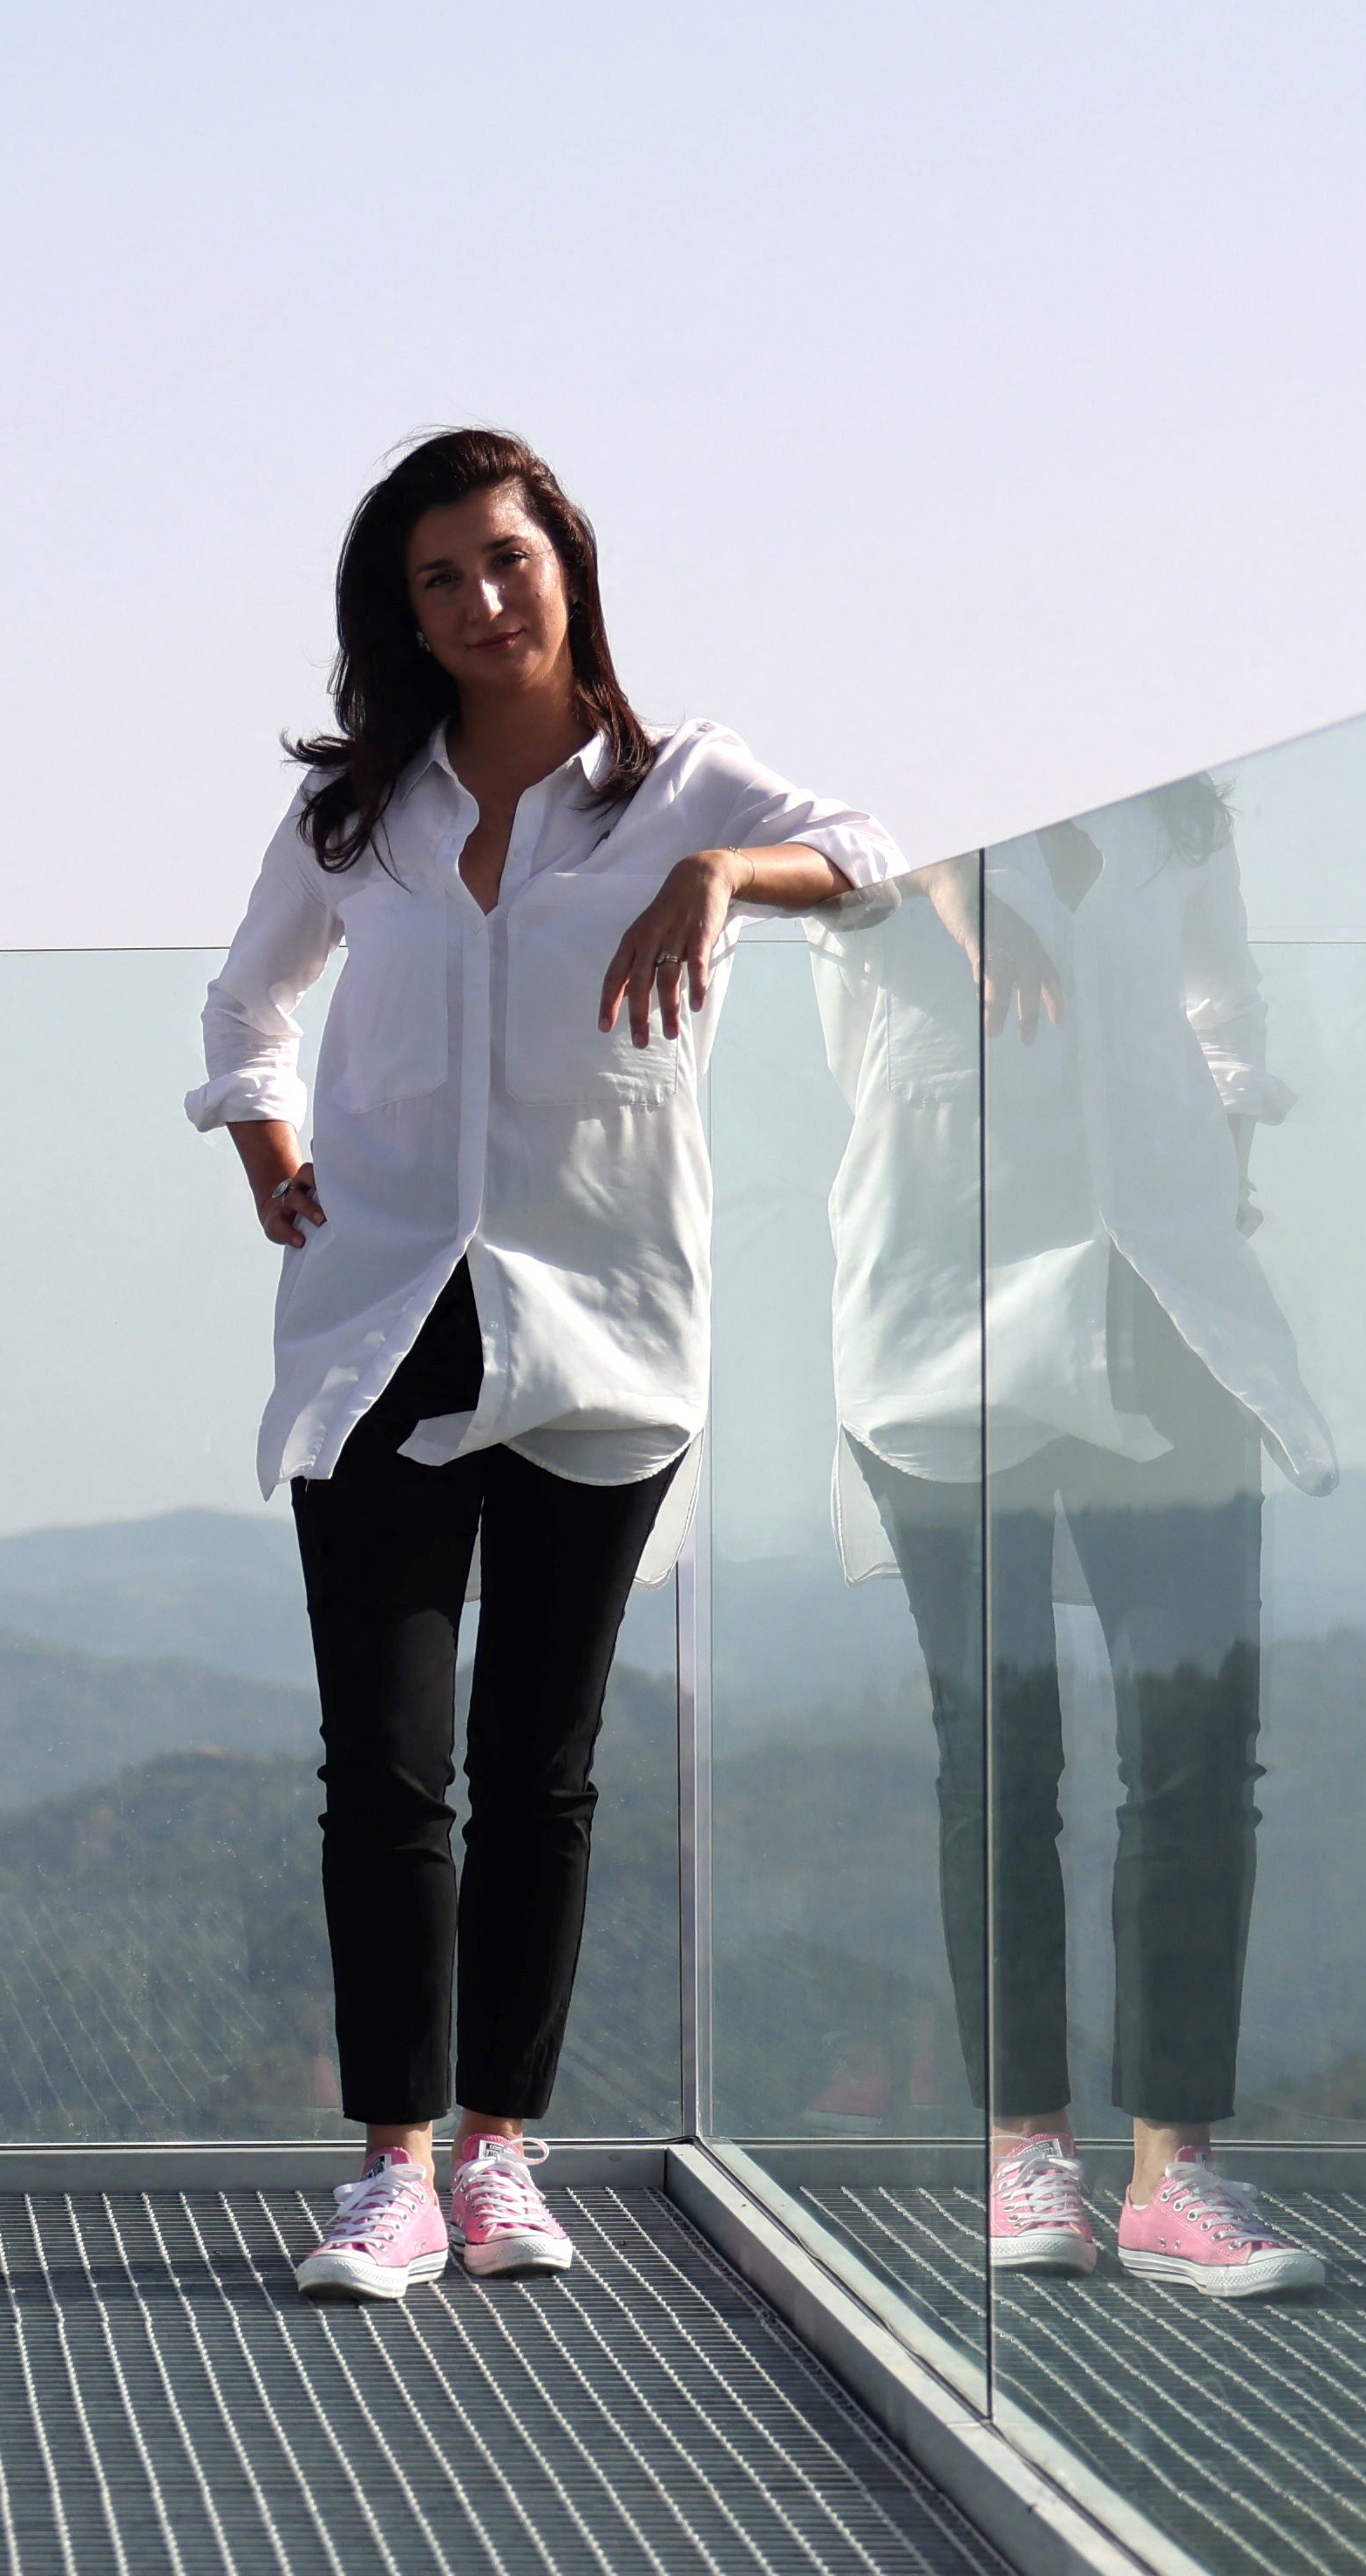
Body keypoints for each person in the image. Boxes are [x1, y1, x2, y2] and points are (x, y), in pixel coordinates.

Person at [192, 431, 896, 2302]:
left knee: (543, 1765)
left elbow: (878, 859)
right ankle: (393, 2168)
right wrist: (267, 1144)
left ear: (567, 564)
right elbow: (244, 1002)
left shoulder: (679, 786)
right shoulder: (364, 814)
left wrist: (727, 876)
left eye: (506, 559)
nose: (481, 600)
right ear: (400, 615)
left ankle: (507, 2149)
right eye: (438, 577)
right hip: (381, 1318)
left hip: (603, 1326)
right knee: (387, 1764)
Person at [816, 783, 1335, 2297]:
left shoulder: (1181, 815)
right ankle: (1024, 2146)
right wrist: (959, 874)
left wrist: (1214, 1156)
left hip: (1161, 1302)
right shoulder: (869, 816)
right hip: (943, 1314)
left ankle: (1179, 2168)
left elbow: (1223, 1000)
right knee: (1000, 1743)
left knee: (1194, 1744)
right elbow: (823, 843)